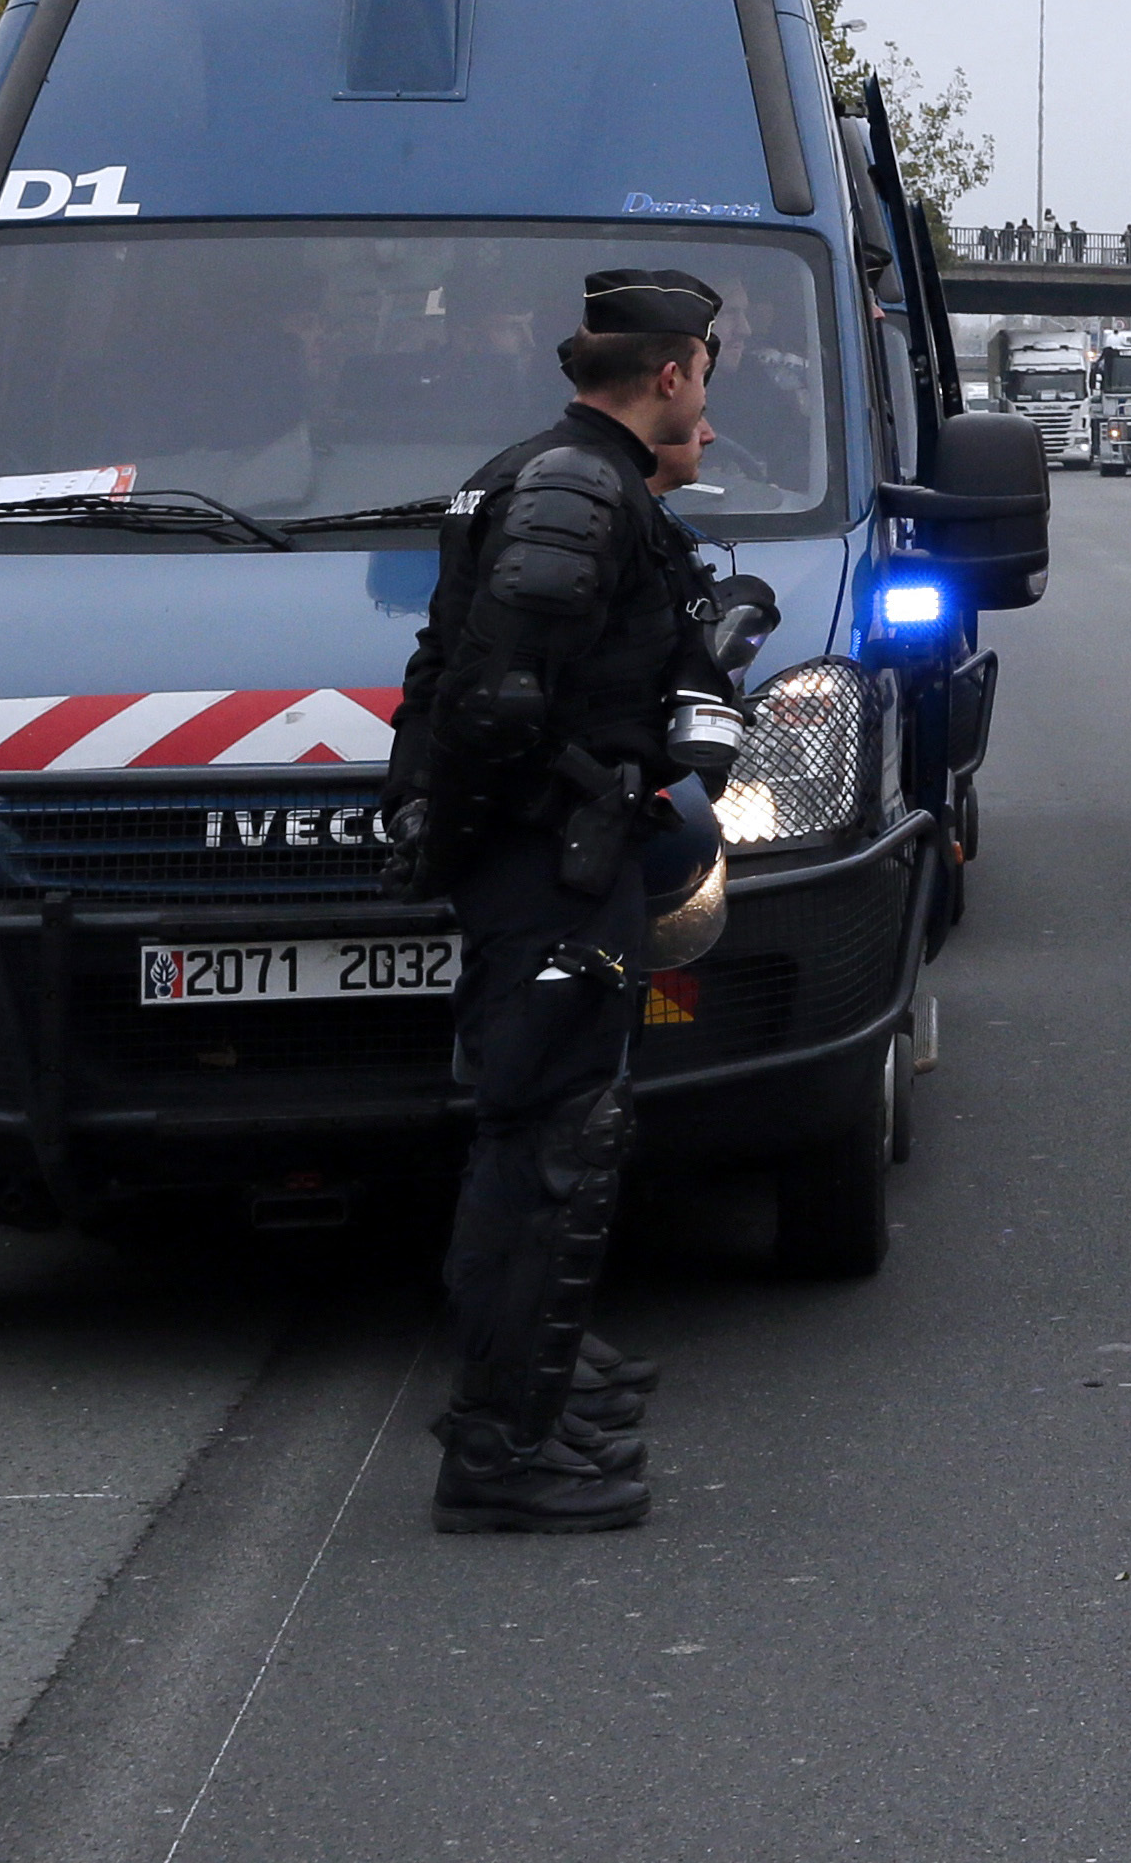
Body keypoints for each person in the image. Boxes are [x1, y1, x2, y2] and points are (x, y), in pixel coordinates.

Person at [385, 268, 746, 1534]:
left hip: (547, 858)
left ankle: (535, 1385)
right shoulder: (577, 490)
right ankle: (501, 1447)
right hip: (552, 863)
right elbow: (494, 698)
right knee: (545, 1149)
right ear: (671, 373)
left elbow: (450, 669)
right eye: (706, 369)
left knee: (545, 1138)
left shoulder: (544, 477)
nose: (708, 391)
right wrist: (521, 828)